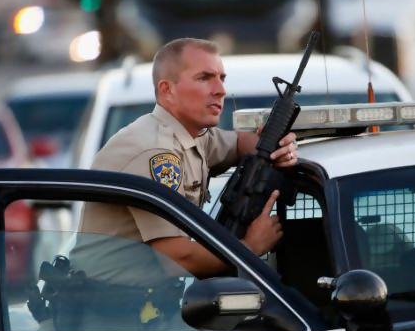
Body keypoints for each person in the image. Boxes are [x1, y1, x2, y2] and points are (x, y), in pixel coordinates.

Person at [70, 38, 298, 282]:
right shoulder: (155, 150)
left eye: (221, 78)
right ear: (167, 90)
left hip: (139, 298)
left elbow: (239, 143)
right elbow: (177, 259)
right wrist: (249, 247)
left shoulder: (191, 136)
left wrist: (277, 148)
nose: (220, 90)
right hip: (108, 300)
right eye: (204, 78)